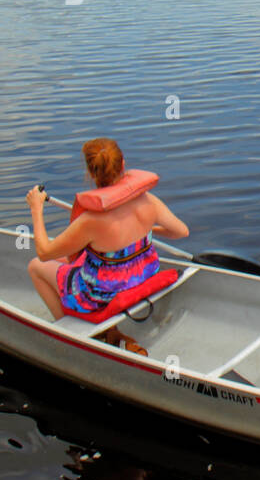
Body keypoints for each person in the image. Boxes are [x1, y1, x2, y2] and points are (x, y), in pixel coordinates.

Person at [25, 138, 188, 354]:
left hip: (102, 295)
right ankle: (111, 333)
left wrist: (36, 208)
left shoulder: (91, 221)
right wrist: (145, 231)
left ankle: (75, 337)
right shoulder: (148, 200)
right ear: (123, 165)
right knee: (75, 261)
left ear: (91, 174)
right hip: (144, 276)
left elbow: (44, 252)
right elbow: (180, 232)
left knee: (36, 266)